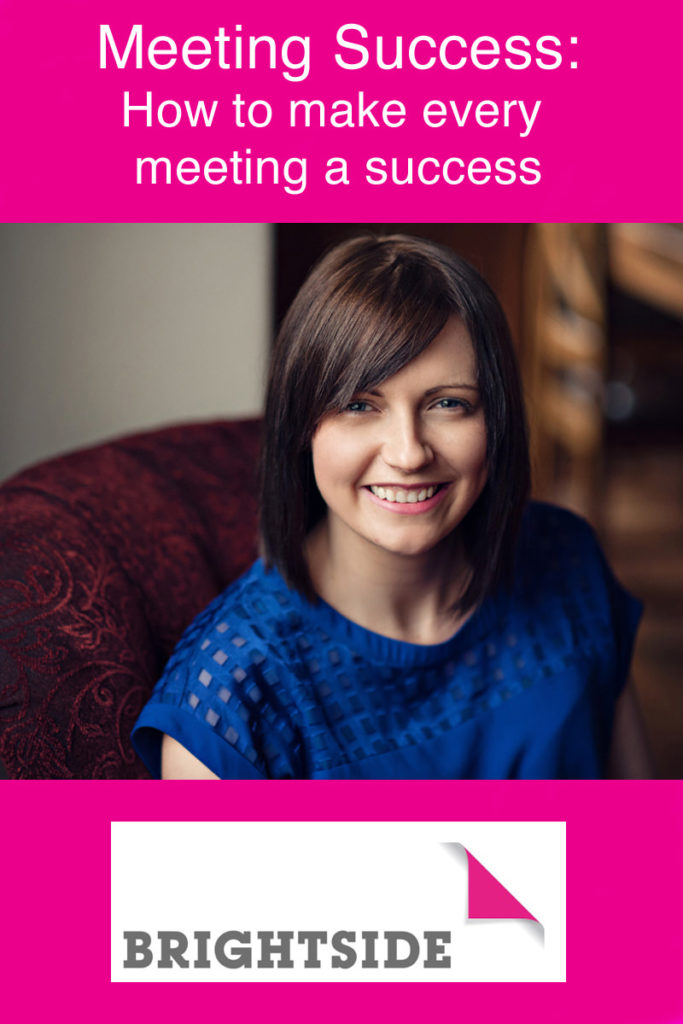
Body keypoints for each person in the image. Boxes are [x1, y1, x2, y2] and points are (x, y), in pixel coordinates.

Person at [132, 234, 651, 780]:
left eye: (449, 403)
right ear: (301, 426)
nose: (408, 454)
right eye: (360, 404)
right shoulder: (230, 698)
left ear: (496, 419)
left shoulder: (568, 560)